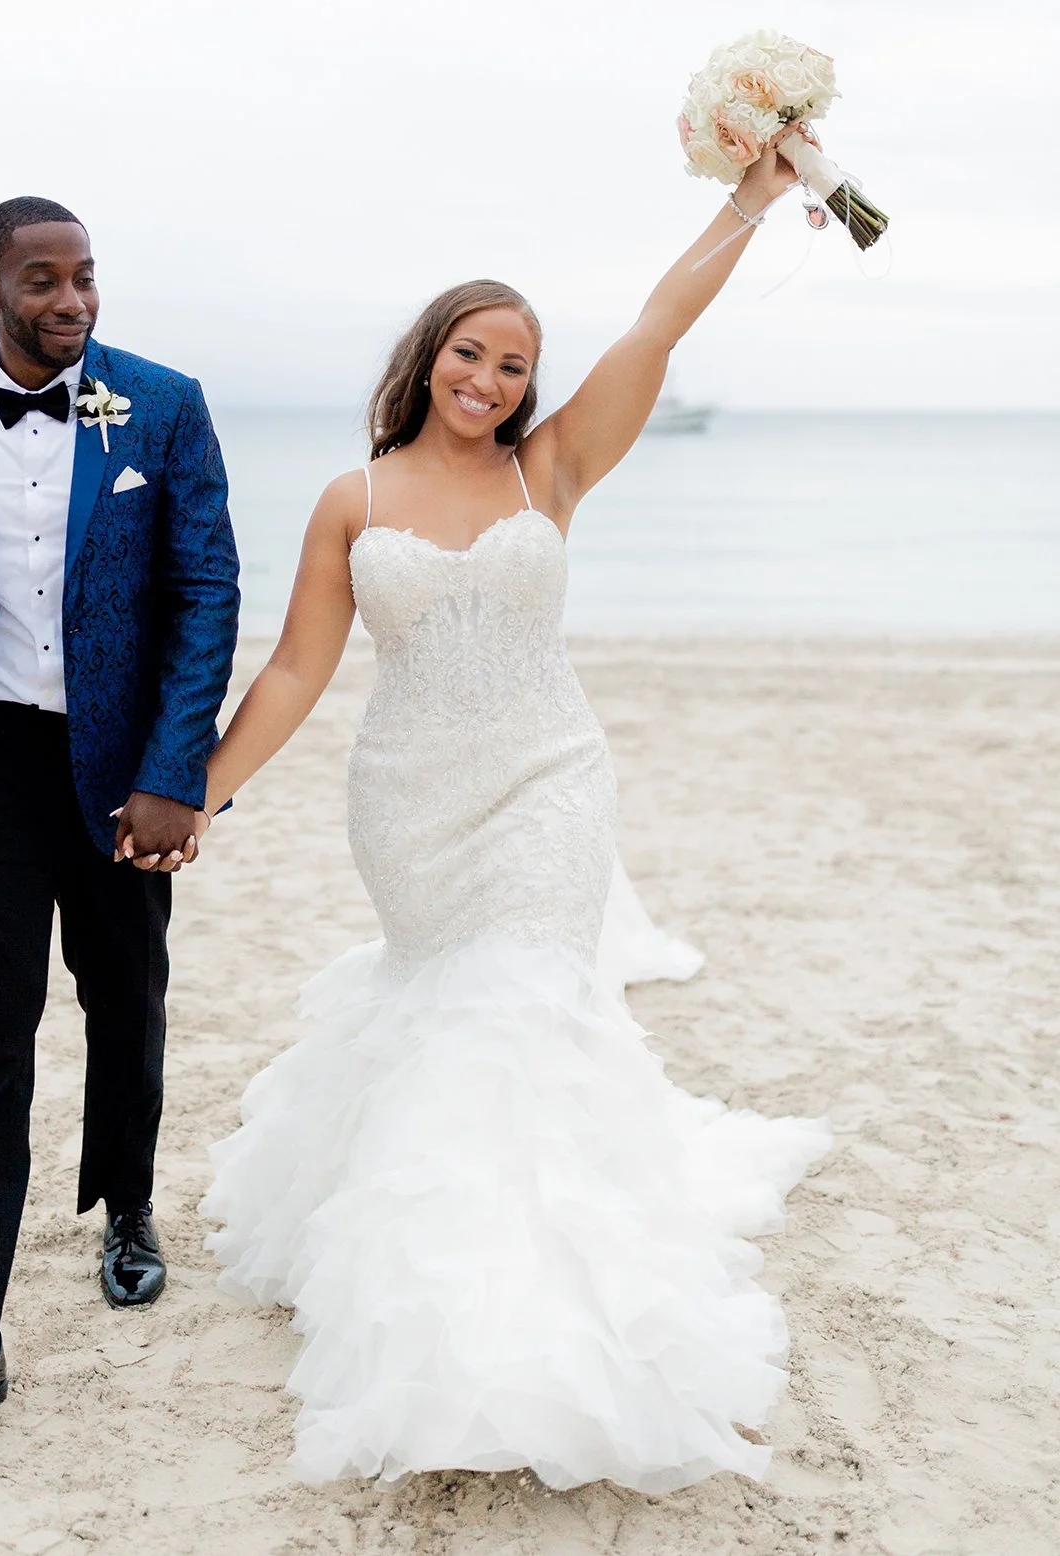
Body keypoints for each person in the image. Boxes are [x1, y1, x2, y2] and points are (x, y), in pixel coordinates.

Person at [182, 145, 830, 1492]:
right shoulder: (351, 503)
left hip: (550, 786)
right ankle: (427, 1270)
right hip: (412, 810)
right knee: (447, 1016)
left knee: (524, 1012)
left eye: (517, 366)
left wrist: (750, 203)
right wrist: (205, 787)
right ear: (429, 358)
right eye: (473, 354)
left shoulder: (556, 472)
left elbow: (658, 325)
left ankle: (529, 1325)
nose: (492, 381)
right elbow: (299, 668)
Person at [0, 196, 239, 1454]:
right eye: (40, 281)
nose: (68, 301)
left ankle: (126, 1203)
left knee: (125, 1000)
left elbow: (205, 589)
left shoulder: (164, 403)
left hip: (118, 769)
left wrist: (178, 771)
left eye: (83, 279)